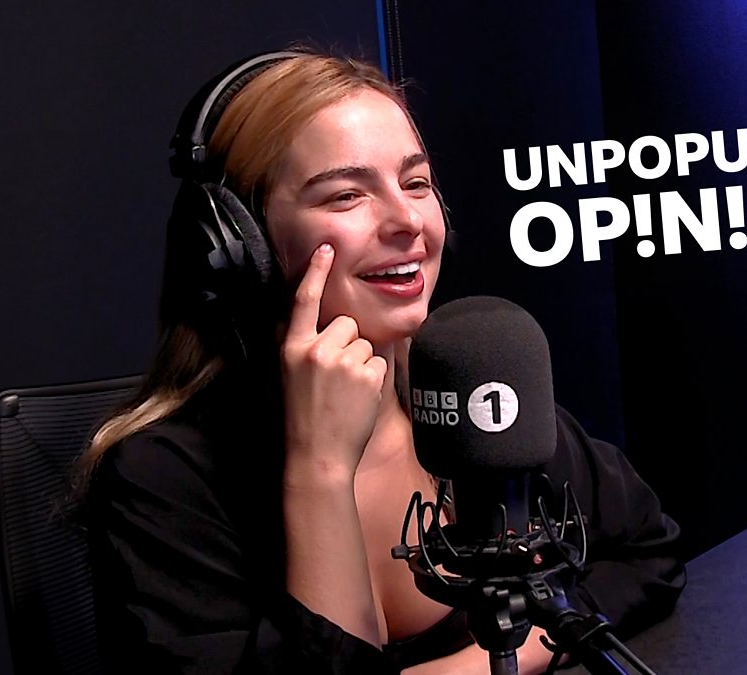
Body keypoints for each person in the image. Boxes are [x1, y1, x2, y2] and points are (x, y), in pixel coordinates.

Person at [77, 49, 685, 674]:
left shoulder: (470, 398)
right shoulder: (162, 481)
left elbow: (647, 552)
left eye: (417, 183)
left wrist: (486, 663)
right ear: (239, 246)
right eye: (346, 195)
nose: (407, 220)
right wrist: (319, 470)